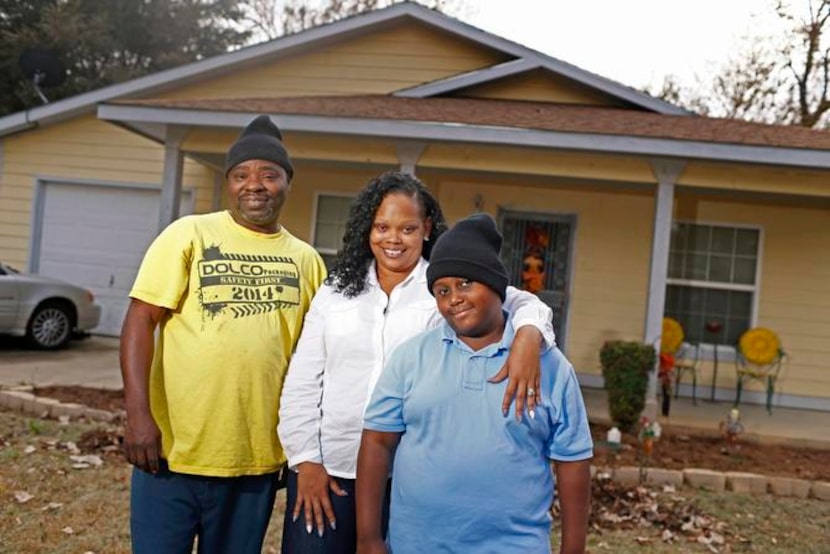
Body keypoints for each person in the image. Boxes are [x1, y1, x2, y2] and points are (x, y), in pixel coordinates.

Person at [278, 171, 556, 553]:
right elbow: (303, 381)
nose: (393, 239)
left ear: (426, 228)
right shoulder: (334, 293)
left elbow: (521, 301)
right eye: (382, 227)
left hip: (411, 477)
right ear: (367, 229)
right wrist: (306, 461)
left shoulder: (444, 287)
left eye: (407, 228)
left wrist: (528, 335)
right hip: (329, 469)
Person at [120, 115, 327, 554]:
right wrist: (138, 415)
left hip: (253, 460)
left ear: (287, 183)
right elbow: (141, 319)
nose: (255, 185)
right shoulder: (189, 233)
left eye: (269, 174)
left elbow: (316, 358)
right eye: (241, 175)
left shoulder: (306, 260)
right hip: (172, 455)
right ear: (227, 183)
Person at [356, 213, 593, 554]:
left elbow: (573, 462)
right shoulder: (411, 357)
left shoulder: (550, 367)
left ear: (497, 286)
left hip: (514, 545)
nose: (454, 298)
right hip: (417, 544)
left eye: (466, 283)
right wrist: (368, 538)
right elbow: (377, 442)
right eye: (442, 290)